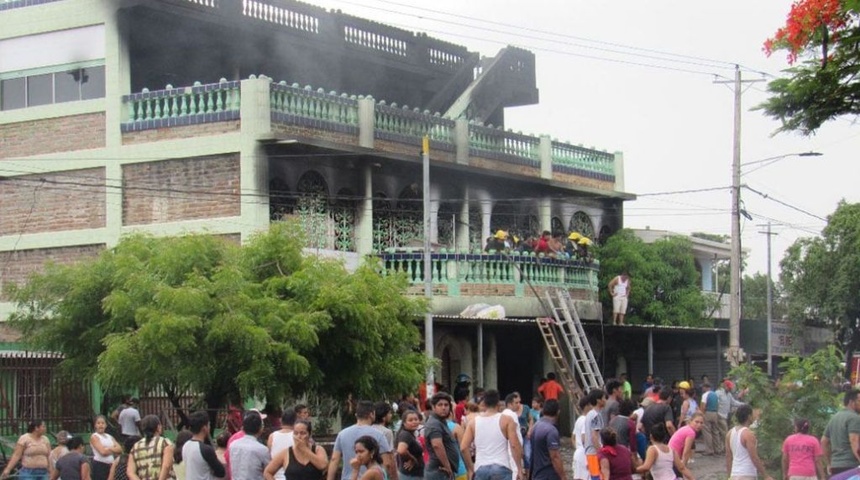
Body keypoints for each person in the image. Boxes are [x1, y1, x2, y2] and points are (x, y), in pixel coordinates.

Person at [460, 389, 524, 480]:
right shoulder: (507, 420)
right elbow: (514, 445)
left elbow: (463, 447)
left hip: (481, 468)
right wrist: (519, 469)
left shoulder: (473, 422)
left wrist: (471, 468)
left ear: (484, 403)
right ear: (498, 403)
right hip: (502, 467)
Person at [327, 400, 396, 480]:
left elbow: (334, 459)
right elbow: (387, 462)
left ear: (356, 415)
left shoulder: (342, 434)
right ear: (372, 414)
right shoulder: (379, 435)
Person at [725, 405, 772, 480]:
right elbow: (754, 457)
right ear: (749, 416)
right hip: (747, 473)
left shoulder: (729, 433)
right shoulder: (748, 434)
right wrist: (765, 475)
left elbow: (728, 456)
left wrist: (729, 476)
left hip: (734, 473)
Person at [822, 388, 860, 475]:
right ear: (851, 402)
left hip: (835, 466)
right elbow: (854, 441)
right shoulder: (854, 418)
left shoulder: (834, 418)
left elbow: (824, 442)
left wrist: (829, 463)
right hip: (851, 466)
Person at [424, 392, 460, 480]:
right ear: (433, 407)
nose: (443, 407)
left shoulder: (441, 422)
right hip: (439, 471)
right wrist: (447, 466)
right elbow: (437, 445)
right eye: (440, 405)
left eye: (446, 405)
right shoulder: (434, 423)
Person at [127, 415, 174, 480]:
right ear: (158, 427)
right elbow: (167, 465)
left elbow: (130, 472)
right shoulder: (165, 442)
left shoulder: (135, 446)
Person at [182, 411, 225, 480]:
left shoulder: (185, 446)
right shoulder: (206, 449)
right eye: (209, 424)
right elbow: (221, 472)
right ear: (204, 428)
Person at [530, 399, 566, 480]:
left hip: (537, 474)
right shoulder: (551, 430)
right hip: (548, 475)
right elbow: (555, 457)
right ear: (558, 412)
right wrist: (563, 477)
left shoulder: (536, 426)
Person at [229, 411, 271, 480]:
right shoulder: (262, 449)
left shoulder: (233, 445)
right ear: (260, 429)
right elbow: (269, 470)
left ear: (243, 428)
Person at [394, 410, 424, 480]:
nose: (414, 422)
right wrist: (412, 459)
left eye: (416, 419)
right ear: (404, 423)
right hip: (410, 476)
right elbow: (401, 450)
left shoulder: (410, 434)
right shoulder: (406, 435)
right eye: (410, 420)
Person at [268, 408, 297, 480]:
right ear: (295, 421)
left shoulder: (272, 436)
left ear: (281, 420)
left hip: (275, 475)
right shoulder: (297, 437)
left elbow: (269, 456)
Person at [91, 415, 124, 480]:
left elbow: (120, 449)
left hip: (111, 465)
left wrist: (109, 448)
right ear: (95, 425)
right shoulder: (94, 436)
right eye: (98, 423)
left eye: (103, 423)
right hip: (100, 465)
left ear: (106, 425)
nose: (101, 425)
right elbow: (103, 452)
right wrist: (113, 449)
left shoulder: (110, 436)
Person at [699, 382, 721, 456]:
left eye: (703, 387)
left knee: (707, 431)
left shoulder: (705, 395)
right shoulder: (715, 395)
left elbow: (703, 406)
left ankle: (709, 450)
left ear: (705, 387)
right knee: (715, 432)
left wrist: (701, 415)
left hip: (707, 413)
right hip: (715, 413)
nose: (702, 389)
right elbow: (718, 405)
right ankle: (718, 449)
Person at [572, 397, 591, 480]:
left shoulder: (579, 419)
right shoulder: (586, 419)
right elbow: (584, 438)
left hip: (578, 453)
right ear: (587, 405)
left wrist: (578, 448)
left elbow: (573, 437)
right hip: (585, 455)